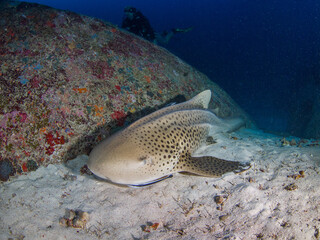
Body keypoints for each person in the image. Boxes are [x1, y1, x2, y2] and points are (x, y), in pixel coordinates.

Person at [121, 6, 193, 45]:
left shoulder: (141, 19)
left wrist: (153, 40)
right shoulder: (126, 21)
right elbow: (123, 29)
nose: (127, 15)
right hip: (140, 35)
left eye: (129, 13)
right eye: (126, 13)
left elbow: (148, 29)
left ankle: (173, 31)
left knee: (165, 41)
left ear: (133, 13)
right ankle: (163, 33)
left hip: (151, 34)